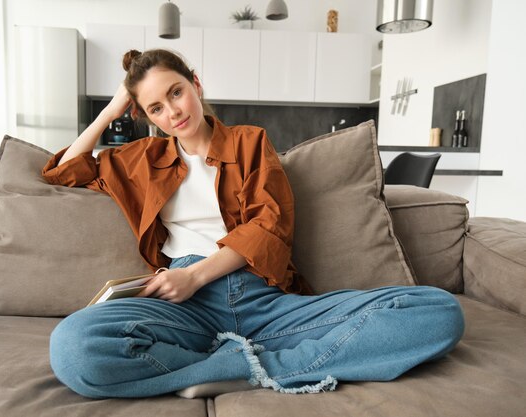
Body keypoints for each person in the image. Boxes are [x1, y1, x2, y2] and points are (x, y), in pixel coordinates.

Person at [43, 49, 465, 399]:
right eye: (156, 107)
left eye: (176, 92)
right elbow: (63, 171)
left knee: (438, 311)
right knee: (73, 348)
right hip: (184, 309)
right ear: (146, 115)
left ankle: (239, 369)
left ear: (196, 84)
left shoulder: (250, 141)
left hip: (265, 301)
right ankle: (241, 364)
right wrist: (117, 105)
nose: (172, 111)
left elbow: (269, 226)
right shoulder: (141, 158)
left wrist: (194, 275)